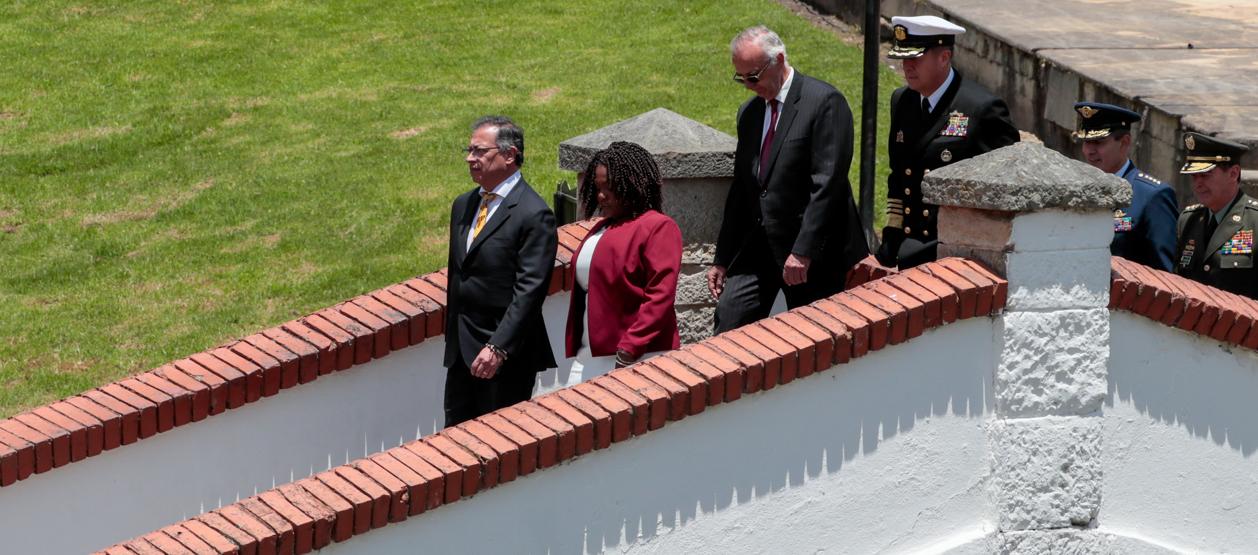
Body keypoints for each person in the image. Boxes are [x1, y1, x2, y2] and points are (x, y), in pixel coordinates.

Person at [708, 25, 868, 333]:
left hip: (812, 253)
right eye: (740, 78)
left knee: (813, 339)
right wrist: (722, 258)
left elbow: (828, 183)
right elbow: (742, 188)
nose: (748, 86)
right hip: (760, 248)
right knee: (729, 320)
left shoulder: (824, 102)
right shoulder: (750, 113)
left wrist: (804, 250)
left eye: (753, 76)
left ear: (778, 60)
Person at [875, 15, 1020, 269]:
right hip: (910, 247)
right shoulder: (903, 101)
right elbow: (899, 177)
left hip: (957, 251)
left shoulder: (982, 108)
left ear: (943, 57)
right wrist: (891, 239)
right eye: (903, 58)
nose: (907, 66)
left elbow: (1006, 187)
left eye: (915, 58)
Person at [443, 115, 558, 427]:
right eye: (469, 150)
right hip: (462, 352)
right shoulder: (464, 205)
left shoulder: (533, 214)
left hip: (505, 359)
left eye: (480, 151)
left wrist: (498, 348)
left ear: (509, 156)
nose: (470, 158)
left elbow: (530, 291)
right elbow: (459, 274)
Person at [564, 141, 682, 383]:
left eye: (610, 187)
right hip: (588, 357)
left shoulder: (658, 226)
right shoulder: (601, 227)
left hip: (637, 357)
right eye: (597, 187)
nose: (600, 196)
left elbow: (660, 294)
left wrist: (630, 347)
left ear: (631, 182)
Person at [1073, 101, 1178, 271]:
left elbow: (1167, 272)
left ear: (1124, 142)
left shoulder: (1152, 196)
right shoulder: (1077, 189)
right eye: (1086, 142)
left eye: (1099, 142)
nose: (1089, 151)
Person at [1173, 132, 1258, 298]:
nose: (1198, 183)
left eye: (1205, 175)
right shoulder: (1188, 220)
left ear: (1233, 174)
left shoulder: (1254, 221)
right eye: (1194, 176)